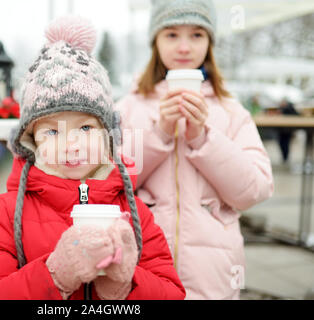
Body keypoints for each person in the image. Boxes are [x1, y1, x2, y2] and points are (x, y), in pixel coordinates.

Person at [0, 16, 185, 300]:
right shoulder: (4, 214)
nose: (70, 145)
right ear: (30, 140)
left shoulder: (136, 214)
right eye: (52, 131)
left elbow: (172, 294)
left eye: (86, 127)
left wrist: (127, 285)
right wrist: (53, 276)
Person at [114, 0, 274, 299]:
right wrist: (160, 131)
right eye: (172, 34)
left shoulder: (231, 111)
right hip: (138, 270)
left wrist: (203, 138)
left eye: (197, 34)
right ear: (155, 41)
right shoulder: (127, 108)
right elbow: (109, 182)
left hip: (214, 276)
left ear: (210, 41)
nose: (184, 47)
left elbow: (254, 190)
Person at [277, 98, 299, 163]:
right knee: (283, 144)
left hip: (287, 130)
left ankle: (285, 158)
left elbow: (297, 116)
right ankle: (285, 158)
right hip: (282, 130)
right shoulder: (281, 108)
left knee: (285, 144)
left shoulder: (289, 108)